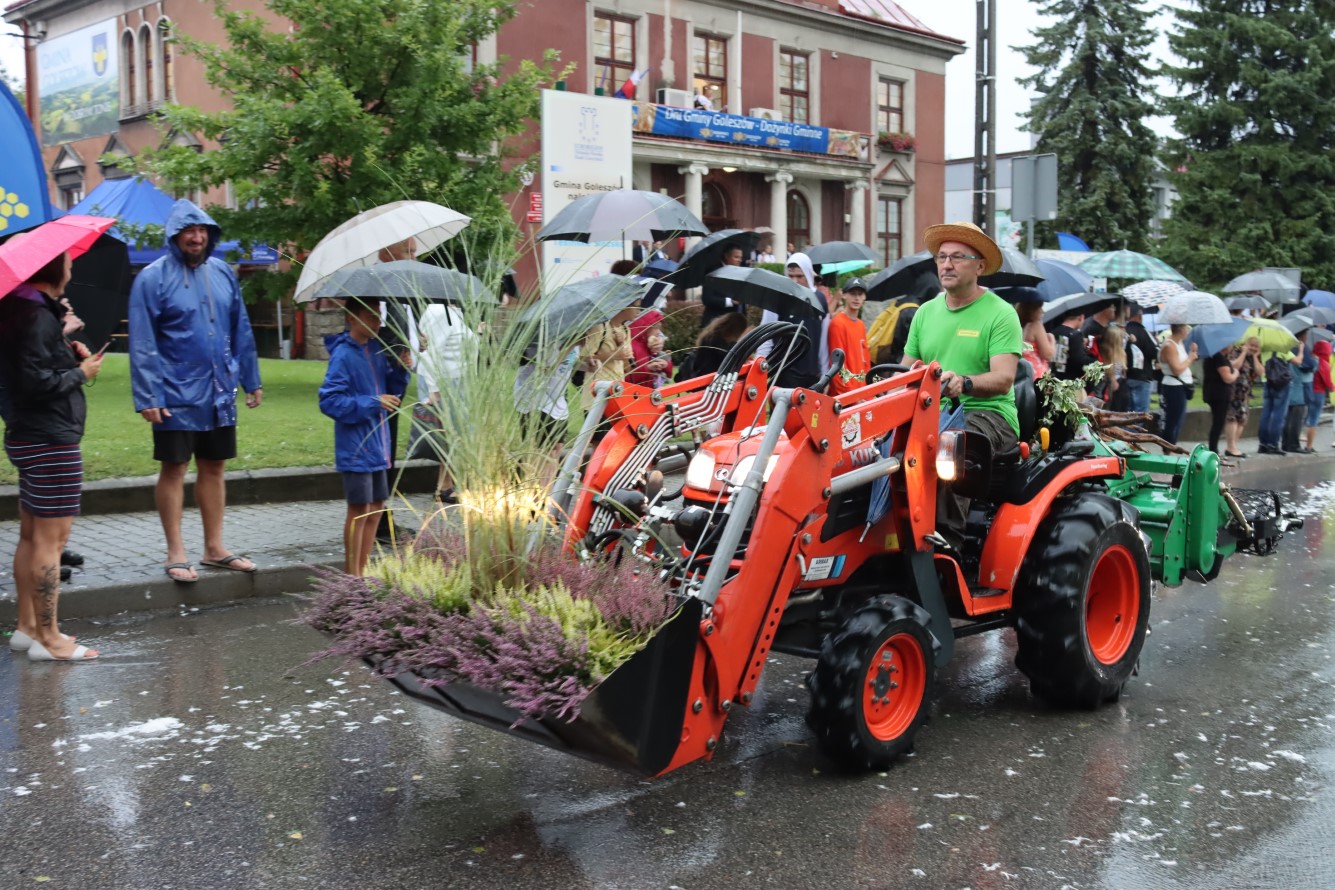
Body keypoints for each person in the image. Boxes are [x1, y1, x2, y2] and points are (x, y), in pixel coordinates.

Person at [128, 199, 263, 583]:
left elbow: (241, 328)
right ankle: (176, 552)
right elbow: (143, 340)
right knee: (174, 467)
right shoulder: (152, 278)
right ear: (175, 235)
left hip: (219, 389)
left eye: (202, 230)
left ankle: (214, 548)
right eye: (189, 230)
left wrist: (251, 378)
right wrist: (149, 395)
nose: (197, 237)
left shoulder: (222, 273)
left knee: (215, 465)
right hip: (174, 391)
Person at [0, 249, 103, 660]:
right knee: (51, 540)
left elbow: (29, 369)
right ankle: (49, 638)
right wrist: (80, 372)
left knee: (31, 535)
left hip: (29, 434)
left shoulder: (20, 310)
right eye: (69, 263)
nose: (72, 269)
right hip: (50, 439)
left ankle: (27, 628)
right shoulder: (36, 316)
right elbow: (35, 383)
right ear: (53, 268)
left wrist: (66, 352)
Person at [902, 222, 1024, 545]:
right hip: (932, 410)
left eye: (957, 257)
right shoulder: (925, 313)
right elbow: (904, 373)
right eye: (942, 257)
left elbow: (1004, 378)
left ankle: (946, 545)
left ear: (980, 266)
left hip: (988, 413)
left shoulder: (1001, 314)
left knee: (951, 443)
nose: (947, 264)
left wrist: (964, 383)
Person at [318, 299, 410, 576]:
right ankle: (352, 576)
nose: (378, 322)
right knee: (359, 509)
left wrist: (401, 369)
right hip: (356, 447)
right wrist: (373, 402)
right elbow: (330, 401)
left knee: (377, 508)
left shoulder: (377, 351)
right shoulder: (343, 355)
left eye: (378, 315)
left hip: (379, 445)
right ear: (352, 319)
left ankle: (363, 571)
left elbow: (393, 394)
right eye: (371, 316)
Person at [412, 299, 476, 504]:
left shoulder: (453, 312)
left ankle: (445, 485)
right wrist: (434, 391)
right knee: (448, 435)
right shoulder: (439, 312)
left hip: (457, 382)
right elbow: (431, 354)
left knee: (452, 435)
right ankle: (444, 487)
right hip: (444, 383)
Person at [758, 252, 830, 389]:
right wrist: (759, 369)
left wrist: (825, 374)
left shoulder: (820, 299)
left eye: (799, 276)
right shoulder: (777, 297)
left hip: (812, 375)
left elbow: (823, 342)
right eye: (791, 276)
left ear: (808, 275)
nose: (795, 281)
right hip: (784, 373)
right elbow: (766, 336)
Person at [827, 278, 871, 395]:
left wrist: (867, 390)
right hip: (846, 396)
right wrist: (850, 395)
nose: (856, 298)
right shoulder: (838, 323)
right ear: (844, 295)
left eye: (860, 294)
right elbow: (837, 365)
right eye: (852, 294)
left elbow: (865, 360)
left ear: (864, 297)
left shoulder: (861, 324)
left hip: (861, 391)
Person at [1223, 337, 1262, 458]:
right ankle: (1230, 446)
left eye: (1256, 346)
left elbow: (1260, 372)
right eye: (1251, 345)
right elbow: (1234, 366)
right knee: (1232, 418)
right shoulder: (1236, 352)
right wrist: (1244, 353)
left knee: (1242, 420)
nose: (1253, 348)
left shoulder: (1253, 357)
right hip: (1234, 391)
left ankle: (1233, 446)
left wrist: (1255, 357)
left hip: (1245, 393)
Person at [1157, 324, 1196, 445]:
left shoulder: (1179, 343)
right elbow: (1177, 369)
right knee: (1172, 420)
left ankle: (1172, 445)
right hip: (1174, 386)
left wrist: (1192, 352)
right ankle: (1168, 447)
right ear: (1181, 329)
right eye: (1186, 328)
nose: (1188, 330)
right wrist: (1190, 358)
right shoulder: (1169, 346)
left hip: (1181, 386)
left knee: (1179, 420)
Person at [1202, 344, 1241, 456]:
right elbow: (1227, 378)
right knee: (1218, 423)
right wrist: (1236, 373)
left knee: (1217, 422)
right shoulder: (1218, 357)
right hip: (1220, 395)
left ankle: (1213, 449)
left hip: (1213, 393)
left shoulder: (1212, 357)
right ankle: (1213, 450)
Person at [1119, 303, 1157, 414]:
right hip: (1142, 377)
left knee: (1128, 413)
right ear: (1139, 316)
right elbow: (1154, 352)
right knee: (1141, 413)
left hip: (1125, 377)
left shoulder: (1122, 331)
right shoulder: (1144, 332)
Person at [1282, 331, 1315, 453]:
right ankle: (1293, 444)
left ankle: (1285, 443)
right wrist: (1308, 354)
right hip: (1297, 387)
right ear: (1301, 336)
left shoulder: (1286, 347)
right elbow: (1308, 365)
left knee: (1288, 418)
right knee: (1296, 418)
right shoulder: (1299, 349)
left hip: (1288, 386)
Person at [699, 244, 747, 328]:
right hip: (715, 324)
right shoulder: (713, 273)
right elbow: (707, 298)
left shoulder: (740, 273)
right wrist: (730, 302)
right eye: (736, 257)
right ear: (726, 256)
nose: (739, 260)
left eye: (741, 257)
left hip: (735, 324)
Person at [690, 311, 749, 378]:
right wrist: (742, 341)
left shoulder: (711, 336)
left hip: (705, 375)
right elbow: (731, 358)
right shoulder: (717, 340)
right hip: (710, 378)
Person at [626, 309, 674, 388]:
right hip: (636, 392)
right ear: (645, 327)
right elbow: (627, 378)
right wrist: (647, 368)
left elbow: (669, 375)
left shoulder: (648, 345)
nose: (658, 332)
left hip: (649, 391)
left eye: (659, 328)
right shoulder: (632, 346)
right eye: (655, 327)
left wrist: (666, 365)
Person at [1015, 299, 1055, 378]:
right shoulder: (1035, 326)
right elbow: (1048, 355)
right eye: (1039, 308)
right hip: (1037, 374)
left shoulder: (1015, 326)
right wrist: (1052, 340)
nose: (1042, 311)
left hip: (1022, 374)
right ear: (1032, 310)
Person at [1310, 339, 1332, 450]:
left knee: (1307, 417)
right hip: (1318, 393)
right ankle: (1309, 446)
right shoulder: (1324, 363)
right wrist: (1332, 387)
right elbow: (1327, 382)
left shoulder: (1311, 359)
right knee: (1313, 420)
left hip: (1308, 391)